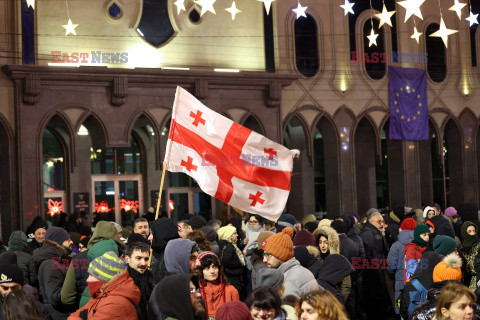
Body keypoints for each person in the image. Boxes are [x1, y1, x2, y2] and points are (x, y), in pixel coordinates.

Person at [61, 220, 126, 308]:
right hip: (113, 307)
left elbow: (66, 298)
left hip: (83, 310)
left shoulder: (77, 259)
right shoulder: (119, 258)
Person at [67, 252, 139, 320]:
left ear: (103, 279)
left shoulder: (114, 304)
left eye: (91, 275)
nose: (87, 280)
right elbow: (75, 315)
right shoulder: (102, 294)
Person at [262, 227, 318, 298]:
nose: (264, 260)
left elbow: (287, 308)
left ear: (281, 255)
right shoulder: (300, 270)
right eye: (264, 255)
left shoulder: (287, 283)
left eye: (268, 255)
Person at [33, 227, 74, 320]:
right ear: (58, 242)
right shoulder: (50, 264)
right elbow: (54, 297)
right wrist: (75, 291)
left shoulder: (59, 260)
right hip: (60, 315)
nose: (71, 242)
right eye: (67, 239)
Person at [360, 210, 393, 319]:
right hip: (373, 279)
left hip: (378, 277)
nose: (382, 224)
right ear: (371, 222)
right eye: (379, 221)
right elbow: (366, 257)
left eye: (382, 221)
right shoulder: (367, 233)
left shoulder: (374, 232)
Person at [387, 217, 416, 316]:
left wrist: (393, 277)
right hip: (417, 283)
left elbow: (391, 266)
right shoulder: (421, 245)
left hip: (400, 283)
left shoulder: (396, 245)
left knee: (401, 312)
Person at [197, 251, 239, 318]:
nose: (212, 271)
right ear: (201, 271)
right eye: (207, 268)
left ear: (219, 269)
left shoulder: (231, 290)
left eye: (214, 267)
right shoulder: (197, 293)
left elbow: (237, 316)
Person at [125, 241, 155, 320]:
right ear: (127, 259)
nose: (143, 263)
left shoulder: (151, 279)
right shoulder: (123, 282)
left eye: (146, 259)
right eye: (138, 258)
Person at [218, 226, 246, 295]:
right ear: (228, 235)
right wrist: (239, 263)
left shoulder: (223, 244)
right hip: (232, 276)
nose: (237, 235)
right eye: (234, 233)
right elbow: (225, 260)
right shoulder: (229, 246)